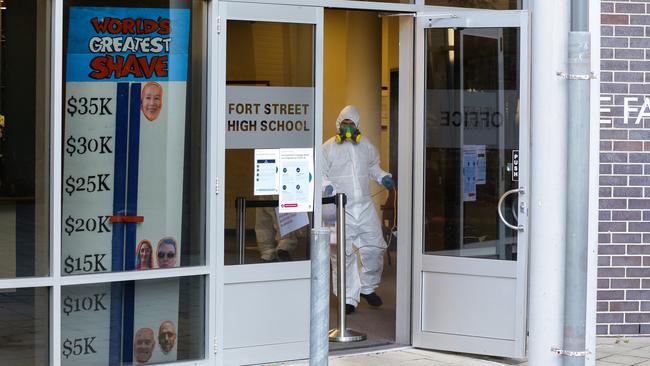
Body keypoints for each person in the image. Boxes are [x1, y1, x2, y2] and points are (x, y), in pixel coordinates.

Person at [322, 105, 395, 314]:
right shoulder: (327, 148)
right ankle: (347, 298)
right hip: (339, 207)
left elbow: (373, 167)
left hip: (364, 206)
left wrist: (383, 177)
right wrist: (327, 188)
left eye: (351, 124)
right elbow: (319, 174)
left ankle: (367, 287)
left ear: (357, 126)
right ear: (338, 124)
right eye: (344, 123)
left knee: (375, 247)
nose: (347, 127)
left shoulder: (366, 146)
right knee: (342, 254)